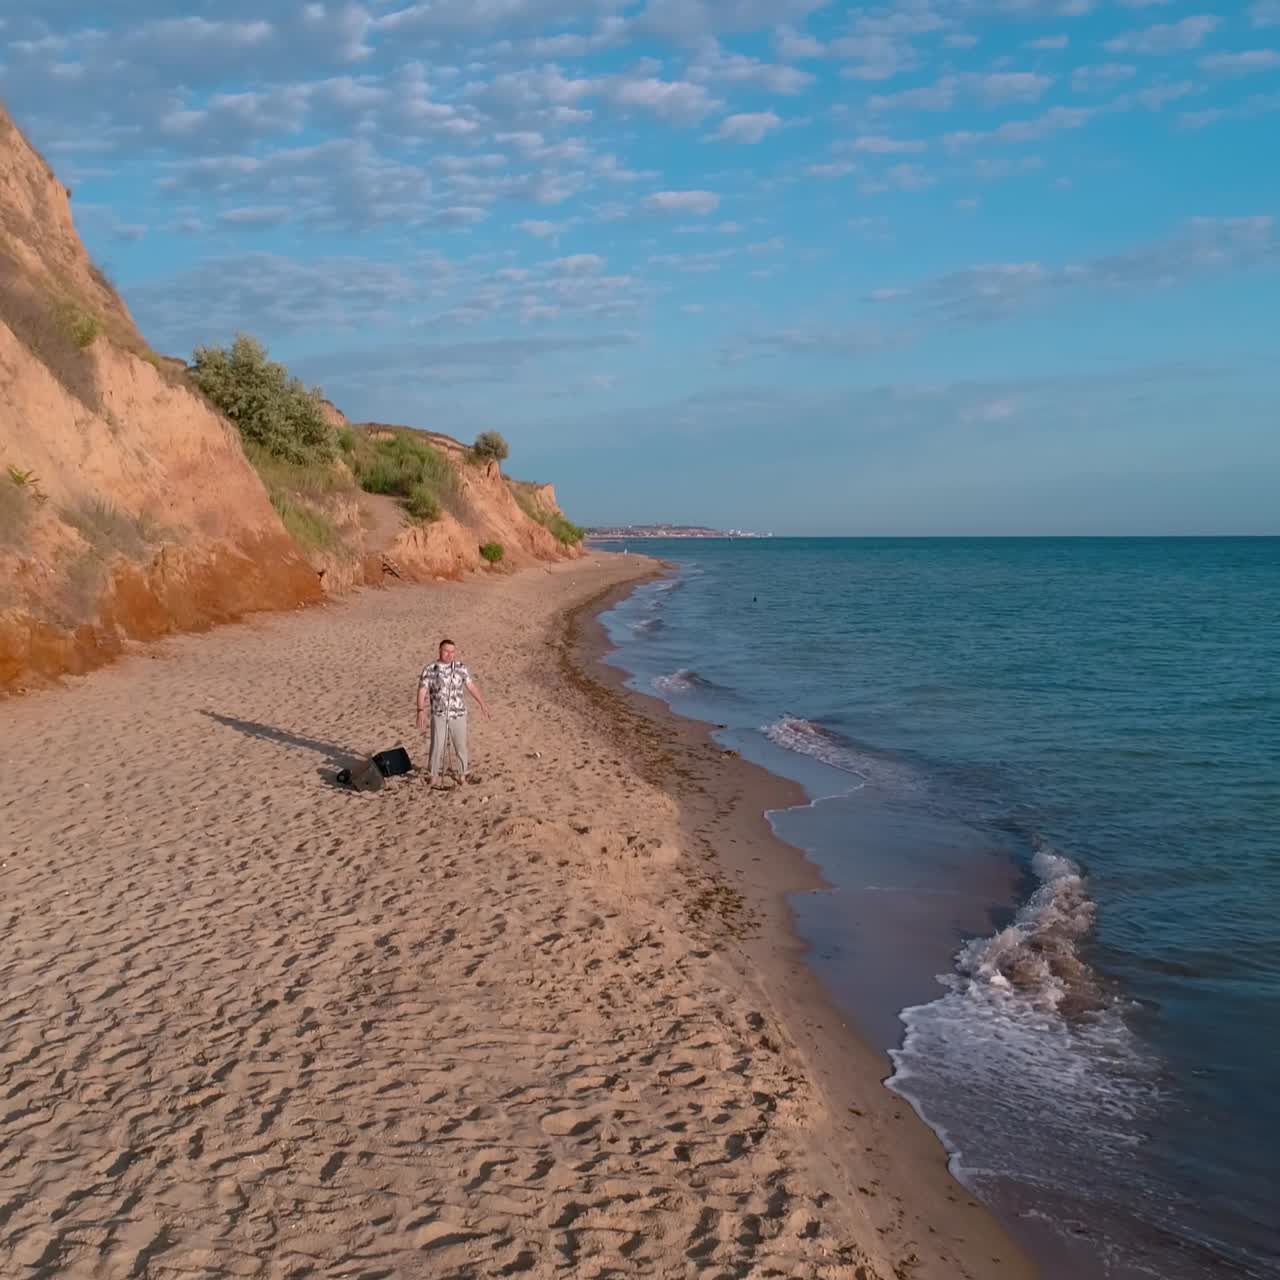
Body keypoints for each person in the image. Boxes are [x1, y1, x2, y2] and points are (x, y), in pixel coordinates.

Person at [416, 638, 491, 788]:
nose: (450, 654)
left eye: (452, 651)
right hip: (439, 714)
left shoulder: (460, 667)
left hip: (459, 715)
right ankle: (434, 776)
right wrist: (420, 710)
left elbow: (471, 686)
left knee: (460, 746)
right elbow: (422, 691)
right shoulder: (430, 669)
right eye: (446, 651)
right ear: (440, 651)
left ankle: (462, 775)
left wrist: (482, 703)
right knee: (437, 746)